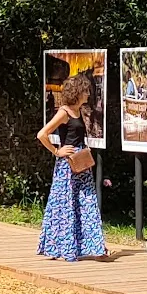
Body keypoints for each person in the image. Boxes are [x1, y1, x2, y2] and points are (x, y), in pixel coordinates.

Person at [36, 72, 106, 261]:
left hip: (81, 162)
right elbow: (42, 134)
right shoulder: (64, 112)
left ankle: (89, 247)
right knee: (65, 204)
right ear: (77, 92)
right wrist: (57, 151)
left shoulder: (78, 111)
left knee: (85, 202)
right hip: (68, 165)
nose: (88, 94)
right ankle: (60, 246)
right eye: (85, 91)